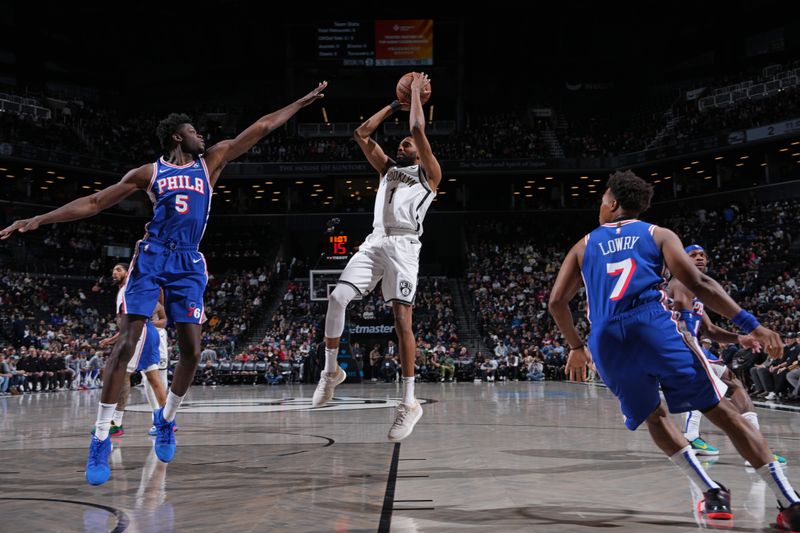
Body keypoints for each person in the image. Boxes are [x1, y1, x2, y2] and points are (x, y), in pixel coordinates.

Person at [0, 81, 327, 486]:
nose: (201, 136)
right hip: (153, 255)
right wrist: (39, 218)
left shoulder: (211, 162)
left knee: (192, 349)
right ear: (178, 136)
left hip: (189, 259)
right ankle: (101, 435)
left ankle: (166, 419)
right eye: (194, 131)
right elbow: (94, 202)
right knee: (124, 345)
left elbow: (259, 128)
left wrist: (300, 102)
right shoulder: (149, 172)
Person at [548, 170, 800, 529]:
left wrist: (575, 346)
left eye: (602, 199)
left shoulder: (584, 244)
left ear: (614, 203)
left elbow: (557, 302)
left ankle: (711, 492)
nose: (599, 205)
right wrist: (751, 324)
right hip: (652, 326)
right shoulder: (657, 234)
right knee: (722, 410)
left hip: (606, 339)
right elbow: (698, 283)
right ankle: (789, 502)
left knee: (655, 416)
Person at [312, 73, 439, 442]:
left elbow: (416, 127)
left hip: (404, 246)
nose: (403, 144)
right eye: (400, 143)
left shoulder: (430, 174)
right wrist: (392, 105)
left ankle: (409, 402)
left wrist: (415, 93)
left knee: (402, 322)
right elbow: (361, 134)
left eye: (408, 144)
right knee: (336, 298)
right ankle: (331, 371)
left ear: (419, 150)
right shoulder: (388, 170)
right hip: (375, 240)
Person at [670, 244, 786, 464]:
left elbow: (711, 330)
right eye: (693, 255)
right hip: (681, 346)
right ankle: (755, 447)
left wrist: (739, 338)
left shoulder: (695, 293)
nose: (699, 258)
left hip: (690, 346)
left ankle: (699, 437)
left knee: (730, 385)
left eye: (703, 255)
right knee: (719, 387)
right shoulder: (682, 282)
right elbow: (682, 326)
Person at [97, 264, 168, 438]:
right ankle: (167, 421)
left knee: (122, 373)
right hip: (144, 333)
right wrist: (113, 339)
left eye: (119, 270)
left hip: (139, 333)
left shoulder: (130, 286)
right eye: (113, 270)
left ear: (128, 273)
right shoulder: (125, 290)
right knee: (153, 377)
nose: (114, 272)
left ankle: (116, 422)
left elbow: (157, 290)